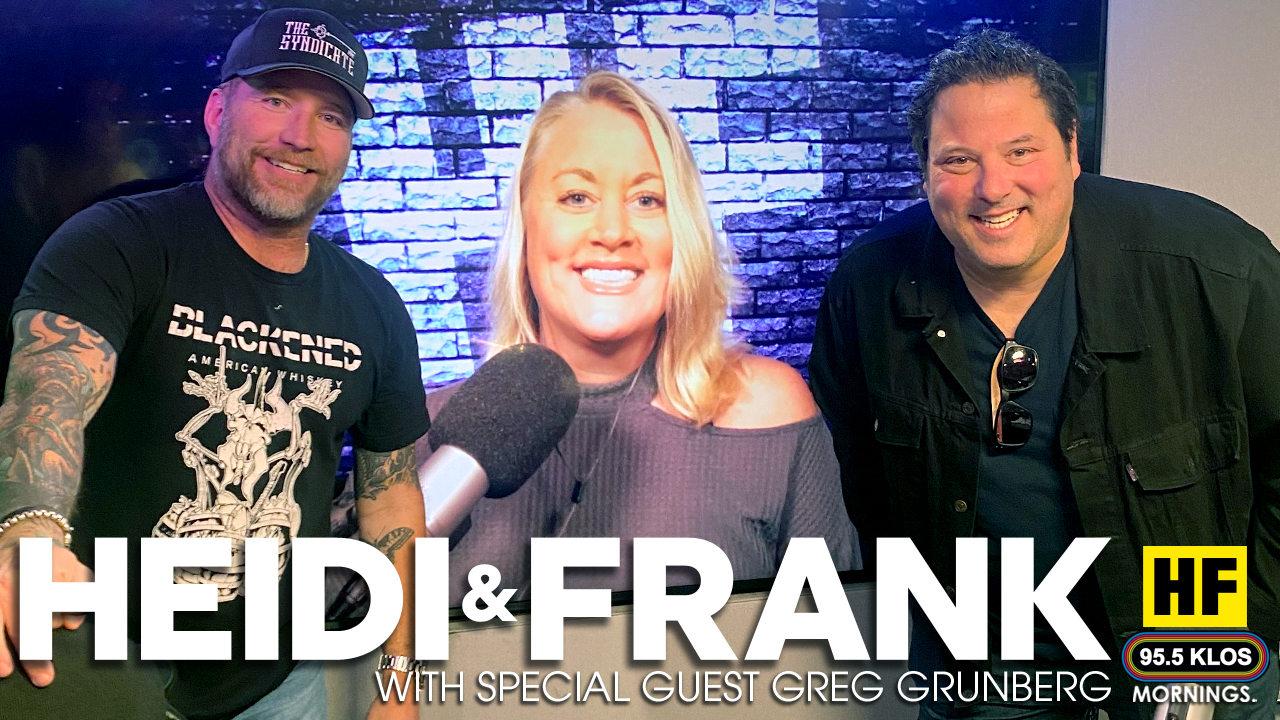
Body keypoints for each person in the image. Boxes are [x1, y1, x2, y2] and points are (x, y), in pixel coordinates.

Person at [809, 29, 1280, 719]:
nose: (992, 187)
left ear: (1071, 150)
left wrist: (1241, 627)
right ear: (925, 172)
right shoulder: (869, 286)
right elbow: (858, 480)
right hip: (987, 664)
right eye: (959, 159)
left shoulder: (1214, 266)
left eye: (1021, 151)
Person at [0, 8, 428, 720]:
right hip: (108, 671)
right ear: (217, 110)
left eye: (331, 116)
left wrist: (399, 683)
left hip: (279, 686)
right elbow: (48, 396)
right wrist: (30, 532)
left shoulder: (373, 304)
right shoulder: (117, 243)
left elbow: (392, 497)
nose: (301, 135)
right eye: (276, 99)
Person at [419, 70, 858, 605]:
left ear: (683, 232)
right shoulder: (421, 437)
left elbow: (836, 641)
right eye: (576, 196)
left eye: (647, 200)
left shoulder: (768, 411)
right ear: (527, 224)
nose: (612, 231)